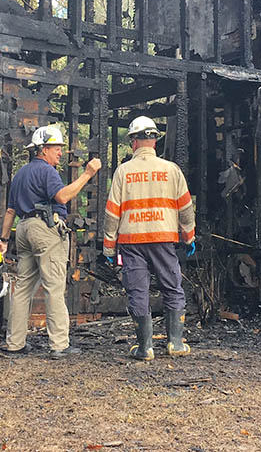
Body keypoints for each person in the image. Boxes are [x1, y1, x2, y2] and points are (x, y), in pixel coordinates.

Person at [0, 125, 101, 358]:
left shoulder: (20, 174)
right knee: (54, 287)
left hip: (22, 230)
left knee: (22, 289)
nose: (60, 153)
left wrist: (3, 240)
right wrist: (88, 174)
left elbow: (10, 211)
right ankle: (60, 345)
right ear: (42, 150)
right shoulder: (48, 172)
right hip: (45, 230)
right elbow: (62, 196)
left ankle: (15, 343)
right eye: (56, 148)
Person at [103, 116, 195, 361]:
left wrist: (109, 248)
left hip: (132, 242)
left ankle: (145, 348)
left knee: (138, 291)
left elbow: (112, 213)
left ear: (134, 142)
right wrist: (189, 237)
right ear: (154, 140)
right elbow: (186, 209)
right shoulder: (171, 170)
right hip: (164, 239)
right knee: (172, 287)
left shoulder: (123, 172)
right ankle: (175, 343)